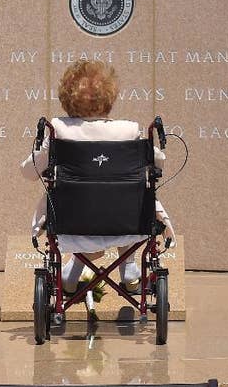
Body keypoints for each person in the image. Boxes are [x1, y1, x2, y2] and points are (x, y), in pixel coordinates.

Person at [20, 60, 175, 293]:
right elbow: (158, 161)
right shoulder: (129, 130)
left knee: (83, 199)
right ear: (109, 95)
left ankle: (70, 277)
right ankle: (129, 269)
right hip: (126, 221)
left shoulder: (58, 128)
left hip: (71, 220)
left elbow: (30, 172)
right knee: (130, 195)